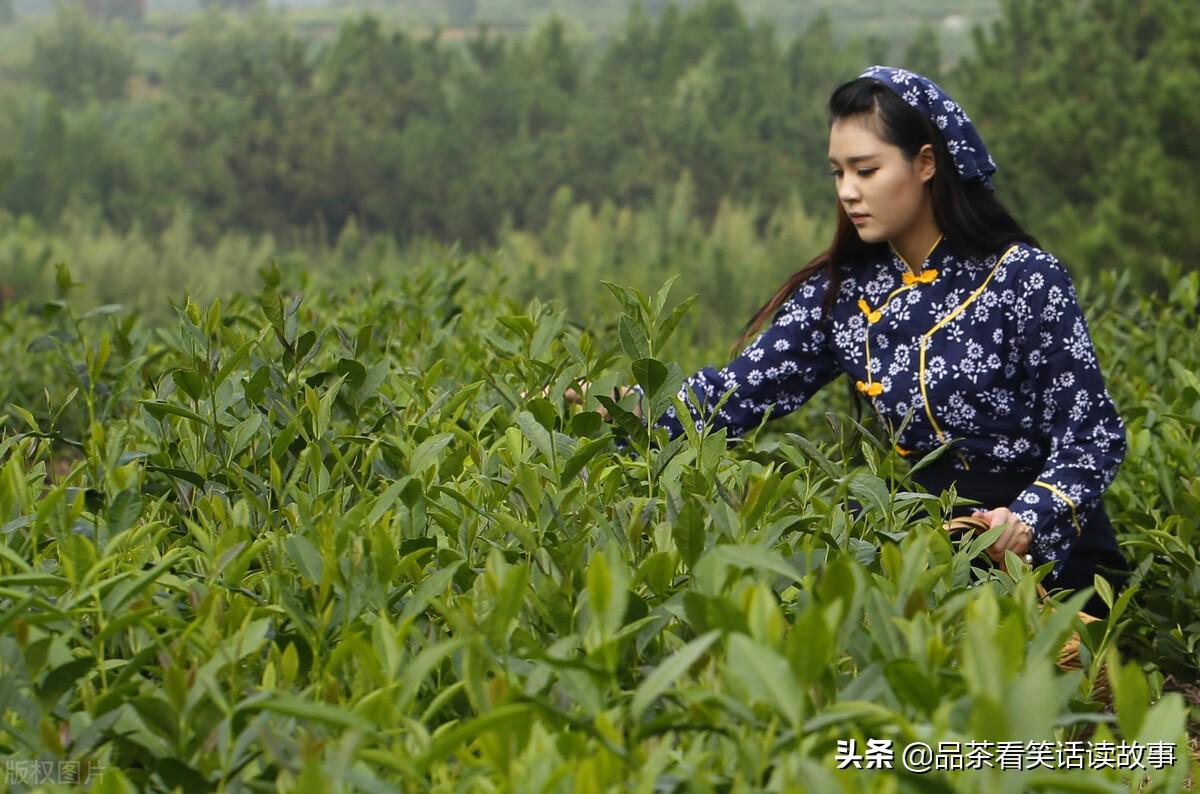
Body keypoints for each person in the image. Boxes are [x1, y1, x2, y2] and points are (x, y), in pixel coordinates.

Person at [582, 66, 1129, 617]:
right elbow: (737, 396)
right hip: (926, 551)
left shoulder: (1024, 278)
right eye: (837, 172)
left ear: (925, 163)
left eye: (866, 170)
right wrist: (619, 414)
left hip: (1052, 560)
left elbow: (1094, 435)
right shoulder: (845, 293)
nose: (848, 191)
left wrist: (1029, 517)